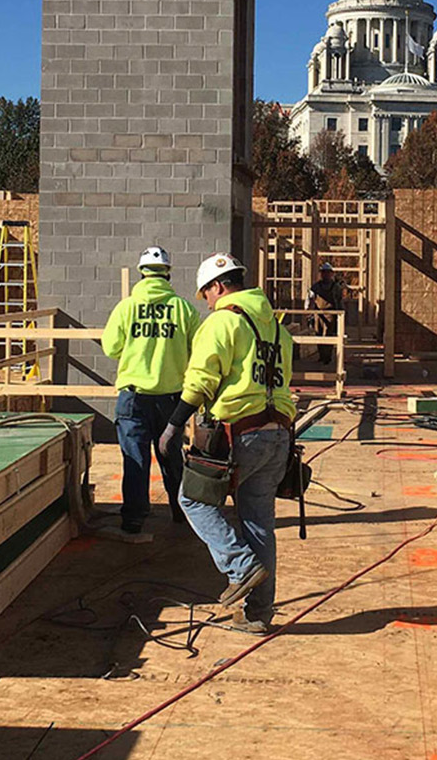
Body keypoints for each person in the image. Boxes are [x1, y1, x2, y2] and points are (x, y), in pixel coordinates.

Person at [158, 253, 295, 634]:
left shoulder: (224, 321)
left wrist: (173, 426)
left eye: (206, 295)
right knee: (259, 522)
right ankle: (257, 614)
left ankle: (239, 565)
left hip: (238, 434)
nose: (207, 302)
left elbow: (201, 379)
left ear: (218, 286)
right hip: (278, 435)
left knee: (192, 499)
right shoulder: (276, 328)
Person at [98, 246, 199, 542]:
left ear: (142, 273)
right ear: (168, 273)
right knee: (171, 456)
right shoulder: (184, 309)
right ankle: (183, 512)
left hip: (134, 397)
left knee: (135, 457)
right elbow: (198, 351)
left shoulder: (126, 307)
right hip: (171, 398)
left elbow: (111, 348)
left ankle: (134, 519)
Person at [304, 261, 346, 366]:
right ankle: (322, 356)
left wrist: (340, 313)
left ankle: (327, 357)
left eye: (327, 272)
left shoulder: (336, 287)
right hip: (318, 314)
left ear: (331, 274)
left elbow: (339, 300)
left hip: (330, 313)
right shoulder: (316, 287)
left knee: (328, 334)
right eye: (323, 272)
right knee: (319, 334)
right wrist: (308, 310)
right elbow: (310, 298)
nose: (325, 274)